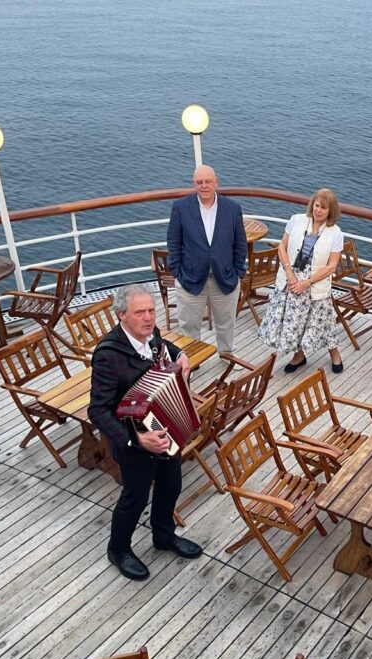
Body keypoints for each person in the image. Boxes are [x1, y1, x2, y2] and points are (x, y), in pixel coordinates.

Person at [87, 284, 203, 581]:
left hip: (165, 430)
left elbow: (166, 345)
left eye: (151, 310)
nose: (149, 318)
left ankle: (163, 536)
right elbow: (97, 410)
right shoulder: (108, 354)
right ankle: (118, 549)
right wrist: (135, 438)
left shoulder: (150, 335)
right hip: (134, 442)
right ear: (122, 315)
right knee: (135, 498)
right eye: (140, 312)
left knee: (171, 485)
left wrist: (181, 354)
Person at [258, 188, 346, 373]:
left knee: (322, 322)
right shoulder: (296, 220)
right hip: (291, 278)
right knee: (295, 322)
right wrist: (290, 274)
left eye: (323, 208)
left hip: (315, 283)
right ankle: (299, 356)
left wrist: (307, 282)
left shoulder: (336, 233)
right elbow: (282, 247)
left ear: (330, 211)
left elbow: (331, 266)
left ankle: (334, 354)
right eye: (317, 205)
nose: (318, 210)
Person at [166, 164, 248, 355]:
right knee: (189, 325)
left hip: (225, 278)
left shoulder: (232, 208)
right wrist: (177, 272)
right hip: (189, 278)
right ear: (193, 184)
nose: (204, 186)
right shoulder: (180, 207)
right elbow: (174, 242)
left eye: (208, 181)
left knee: (226, 323)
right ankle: (192, 360)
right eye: (199, 182)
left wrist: (238, 272)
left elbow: (240, 244)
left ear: (216, 182)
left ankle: (227, 355)